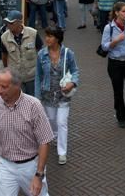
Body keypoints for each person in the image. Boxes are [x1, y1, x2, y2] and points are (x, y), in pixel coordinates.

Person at [0, 69, 54, 196]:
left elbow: (45, 141)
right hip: (5, 166)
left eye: (4, 87)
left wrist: (39, 175)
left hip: (30, 166)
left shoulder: (33, 105)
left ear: (17, 86)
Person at [35, 27, 79, 165]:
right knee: (52, 120)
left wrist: (73, 83)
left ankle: (62, 152)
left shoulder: (68, 53)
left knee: (62, 122)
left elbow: (75, 70)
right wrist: (37, 97)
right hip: (48, 94)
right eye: (46, 36)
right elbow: (38, 76)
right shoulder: (41, 54)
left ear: (58, 38)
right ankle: (55, 135)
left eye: (50, 36)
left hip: (63, 94)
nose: (47, 39)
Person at [0, 10, 44, 95]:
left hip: (32, 76)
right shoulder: (4, 37)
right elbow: (4, 56)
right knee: (18, 101)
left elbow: (41, 53)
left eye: (11, 23)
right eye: (7, 23)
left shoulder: (33, 33)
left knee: (33, 100)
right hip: (16, 78)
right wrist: (8, 70)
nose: (8, 25)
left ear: (20, 22)